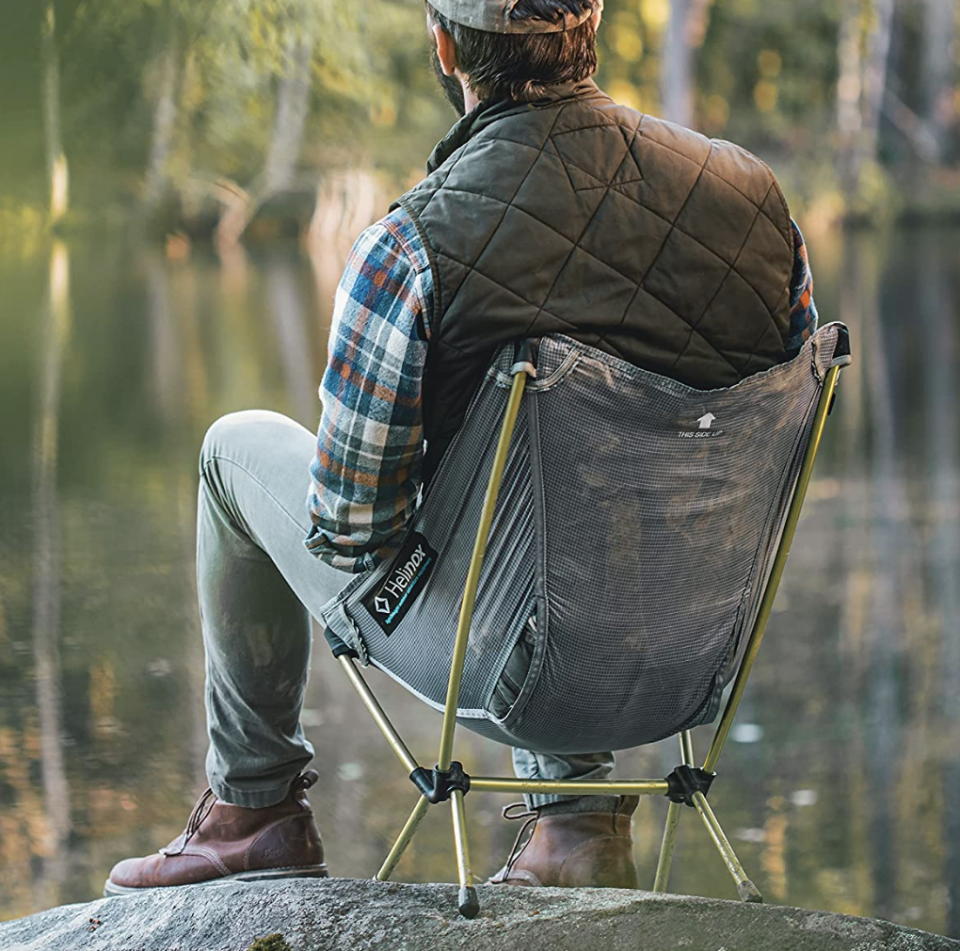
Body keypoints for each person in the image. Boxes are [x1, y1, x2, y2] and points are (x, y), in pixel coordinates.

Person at [105, 0, 818, 895]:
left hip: (518, 669)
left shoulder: (412, 246)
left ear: (445, 46)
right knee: (567, 484)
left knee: (232, 449)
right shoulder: (757, 202)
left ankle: (254, 808)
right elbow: (779, 426)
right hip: (704, 651)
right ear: (588, 32)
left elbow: (350, 532)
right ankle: (578, 829)